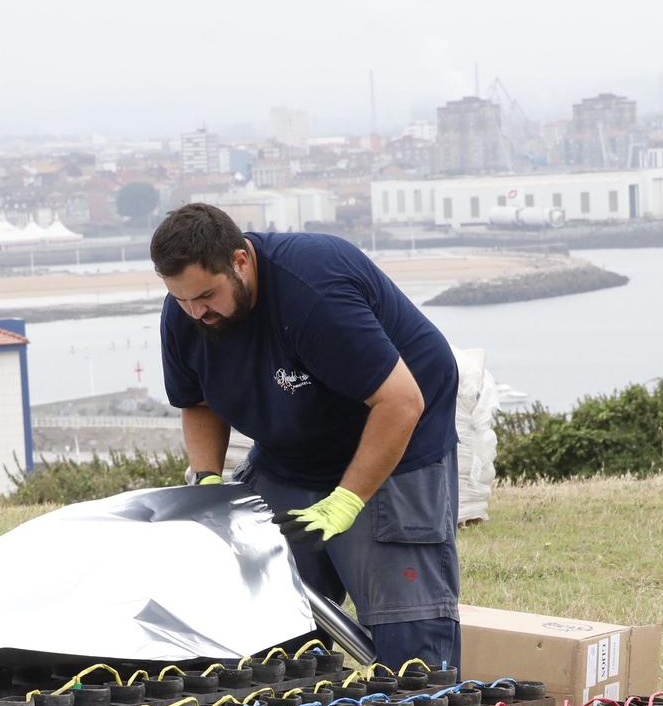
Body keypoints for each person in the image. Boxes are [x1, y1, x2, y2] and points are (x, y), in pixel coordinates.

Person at [151, 203, 461, 671]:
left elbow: (402, 402)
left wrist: (345, 502)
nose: (197, 313)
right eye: (182, 299)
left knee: (408, 645)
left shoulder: (312, 291)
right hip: (290, 455)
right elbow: (198, 400)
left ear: (240, 260)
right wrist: (207, 480)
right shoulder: (188, 314)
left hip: (393, 441)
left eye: (207, 296)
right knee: (270, 624)